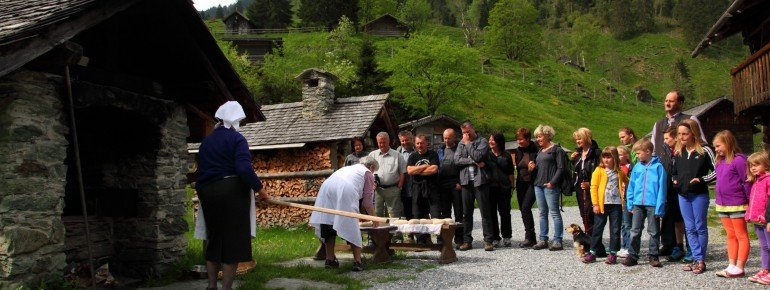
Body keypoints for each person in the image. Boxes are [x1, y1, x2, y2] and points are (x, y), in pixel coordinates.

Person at [195, 101, 270, 290]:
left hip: (206, 191)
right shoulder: (237, 139)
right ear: (236, 119)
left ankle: (212, 286)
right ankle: (226, 288)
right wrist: (260, 189)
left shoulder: (206, 141)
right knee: (232, 241)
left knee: (214, 238)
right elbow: (243, 168)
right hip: (230, 191)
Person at [652, 90, 706, 257]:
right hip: (667, 174)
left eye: (671, 101)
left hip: (687, 172)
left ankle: (692, 248)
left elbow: (701, 141)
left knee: (687, 213)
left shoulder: (690, 119)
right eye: (666, 100)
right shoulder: (659, 124)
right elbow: (655, 149)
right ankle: (670, 244)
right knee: (668, 210)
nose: (667, 103)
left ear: (680, 102)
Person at [309, 156, 378, 272]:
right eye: (374, 170)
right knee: (351, 224)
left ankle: (330, 260)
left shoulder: (348, 169)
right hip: (345, 189)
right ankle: (357, 262)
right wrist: (374, 219)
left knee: (328, 222)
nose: (373, 172)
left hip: (327, 187)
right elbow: (367, 202)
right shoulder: (367, 173)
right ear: (371, 167)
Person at [672, 119, 715, 274]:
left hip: (699, 194)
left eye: (685, 134)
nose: (681, 137)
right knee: (689, 228)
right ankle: (696, 258)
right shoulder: (678, 152)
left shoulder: (705, 151)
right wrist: (675, 180)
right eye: (679, 134)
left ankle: (700, 260)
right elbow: (674, 171)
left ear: (693, 133)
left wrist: (702, 180)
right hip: (683, 195)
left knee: (700, 227)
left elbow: (716, 171)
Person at [713, 130, 751, 278]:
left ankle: (740, 267)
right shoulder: (720, 162)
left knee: (741, 235)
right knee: (730, 235)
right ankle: (731, 264)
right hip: (722, 204)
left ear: (728, 143)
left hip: (737, 203)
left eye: (718, 146)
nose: (716, 149)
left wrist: (749, 202)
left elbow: (746, 182)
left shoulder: (739, 160)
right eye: (715, 147)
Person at [623, 138, 666, 267]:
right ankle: (632, 255)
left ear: (648, 151)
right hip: (637, 204)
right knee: (635, 230)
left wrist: (660, 207)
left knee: (653, 231)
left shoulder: (658, 167)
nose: (636, 156)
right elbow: (631, 186)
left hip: (652, 204)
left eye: (638, 153)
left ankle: (653, 255)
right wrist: (630, 202)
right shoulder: (637, 167)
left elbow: (662, 188)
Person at [584, 146, 628, 264]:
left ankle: (613, 253)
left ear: (614, 158)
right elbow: (593, 188)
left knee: (615, 229)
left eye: (609, 157)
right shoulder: (598, 171)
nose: (606, 160)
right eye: (604, 157)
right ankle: (593, 251)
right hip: (602, 204)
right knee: (598, 228)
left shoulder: (619, 171)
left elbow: (627, 181)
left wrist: (627, 192)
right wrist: (595, 204)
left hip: (616, 204)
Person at [454, 122, 493, 251]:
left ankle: (488, 240)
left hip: (480, 181)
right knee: (466, 213)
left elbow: (478, 155)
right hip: (466, 182)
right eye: (464, 133)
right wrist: (472, 161)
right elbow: (457, 160)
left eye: (468, 132)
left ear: (473, 129)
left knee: (485, 212)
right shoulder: (461, 143)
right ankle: (467, 241)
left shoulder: (482, 141)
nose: (466, 135)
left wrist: (468, 144)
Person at [530, 124, 567, 251]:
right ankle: (543, 239)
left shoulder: (557, 150)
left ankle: (557, 240)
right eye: (537, 137)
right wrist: (532, 167)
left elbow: (561, 168)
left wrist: (552, 182)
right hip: (538, 185)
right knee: (542, 213)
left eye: (540, 136)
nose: (538, 139)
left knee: (555, 213)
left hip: (550, 186)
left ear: (547, 135)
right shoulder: (540, 151)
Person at [407, 134, 440, 244]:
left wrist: (417, 171)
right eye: (417, 143)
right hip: (417, 188)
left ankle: (440, 240)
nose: (420, 145)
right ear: (415, 144)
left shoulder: (433, 154)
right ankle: (422, 240)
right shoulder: (412, 156)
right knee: (418, 214)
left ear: (427, 143)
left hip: (432, 187)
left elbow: (434, 169)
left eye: (422, 143)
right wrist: (425, 166)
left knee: (435, 214)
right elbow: (410, 171)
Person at [662, 126, 687, 262]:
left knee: (686, 220)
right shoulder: (666, 151)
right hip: (670, 189)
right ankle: (678, 246)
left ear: (675, 138)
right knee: (676, 219)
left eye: (667, 138)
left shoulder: (682, 151)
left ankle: (692, 248)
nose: (665, 141)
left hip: (682, 189)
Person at [745, 151, 770, 284]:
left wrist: (768, 219)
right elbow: (754, 200)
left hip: (766, 221)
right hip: (757, 221)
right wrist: (749, 214)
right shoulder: (756, 181)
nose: (753, 168)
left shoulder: (768, 180)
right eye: (751, 165)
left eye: (756, 164)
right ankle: (765, 269)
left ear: (766, 165)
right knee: (764, 246)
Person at [368, 132, 405, 220]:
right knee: (377, 213)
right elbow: (368, 171)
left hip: (393, 189)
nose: (382, 144)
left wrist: (399, 187)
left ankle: (396, 234)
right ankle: (379, 233)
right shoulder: (372, 155)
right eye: (380, 142)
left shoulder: (397, 155)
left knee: (394, 214)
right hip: (377, 190)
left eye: (384, 142)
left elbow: (402, 172)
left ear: (389, 141)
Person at [571, 128, 601, 237]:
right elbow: (576, 171)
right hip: (580, 188)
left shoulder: (596, 153)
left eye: (580, 139)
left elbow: (600, 171)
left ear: (586, 138)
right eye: (576, 140)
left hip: (592, 188)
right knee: (583, 214)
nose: (577, 141)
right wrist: (573, 160)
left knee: (591, 214)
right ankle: (589, 238)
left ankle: (595, 240)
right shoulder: (578, 154)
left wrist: (591, 184)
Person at [437, 128, 463, 247]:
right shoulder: (440, 150)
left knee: (459, 213)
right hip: (442, 184)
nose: (446, 140)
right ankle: (445, 239)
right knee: (445, 213)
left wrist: (459, 182)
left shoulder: (459, 149)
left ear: (454, 138)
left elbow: (463, 167)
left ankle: (459, 239)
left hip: (455, 183)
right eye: (445, 138)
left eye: (449, 138)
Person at [488, 133, 514, 247]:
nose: (490, 142)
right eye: (490, 140)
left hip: (504, 187)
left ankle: (507, 236)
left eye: (493, 140)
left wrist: (512, 186)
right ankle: (495, 237)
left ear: (499, 142)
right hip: (490, 187)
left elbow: (510, 173)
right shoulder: (487, 155)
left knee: (505, 213)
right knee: (491, 213)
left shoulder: (506, 155)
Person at [514, 128, 538, 248]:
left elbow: (541, 166)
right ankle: (530, 237)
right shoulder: (518, 151)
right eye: (517, 139)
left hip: (532, 183)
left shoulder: (536, 150)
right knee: (522, 209)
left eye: (521, 139)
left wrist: (534, 168)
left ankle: (530, 236)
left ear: (528, 139)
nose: (518, 141)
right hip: (521, 182)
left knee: (525, 207)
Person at [616, 145, 633, 258]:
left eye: (620, 154)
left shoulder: (631, 168)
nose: (618, 157)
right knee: (621, 223)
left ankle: (629, 247)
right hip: (618, 198)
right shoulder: (616, 168)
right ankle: (623, 245)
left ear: (627, 155)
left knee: (627, 224)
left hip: (627, 198)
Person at [397, 131, 416, 226]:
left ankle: (423, 237)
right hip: (404, 188)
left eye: (406, 140)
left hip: (417, 186)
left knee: (419, 212)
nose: (404, 142)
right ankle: (410, 235)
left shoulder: (418, 149)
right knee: (407, 212)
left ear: (412, 139)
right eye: (402, 141)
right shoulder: (397, 153)